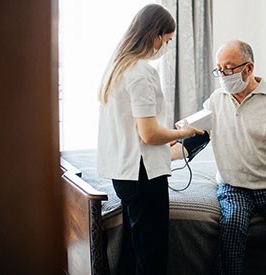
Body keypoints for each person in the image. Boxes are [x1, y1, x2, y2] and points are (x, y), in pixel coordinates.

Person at [175, 40, 266, 274]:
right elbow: (194, 135)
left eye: (230, 68)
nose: (223, 75)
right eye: (219, 69)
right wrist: (163, 147)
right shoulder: (216, 99)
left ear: (249, 68)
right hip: (233, 187)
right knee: (232, 226)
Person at [97, 4, 204, 275]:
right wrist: (184, 132)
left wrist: (170, 134)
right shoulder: (142, 72)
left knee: (136, 247)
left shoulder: (117, 68)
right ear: (155, 34)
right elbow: (149, 134)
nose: (165, 47)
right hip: (143, 175)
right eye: (167, 40)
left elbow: (135, 129)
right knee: (152, 253)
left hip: (123, 172)